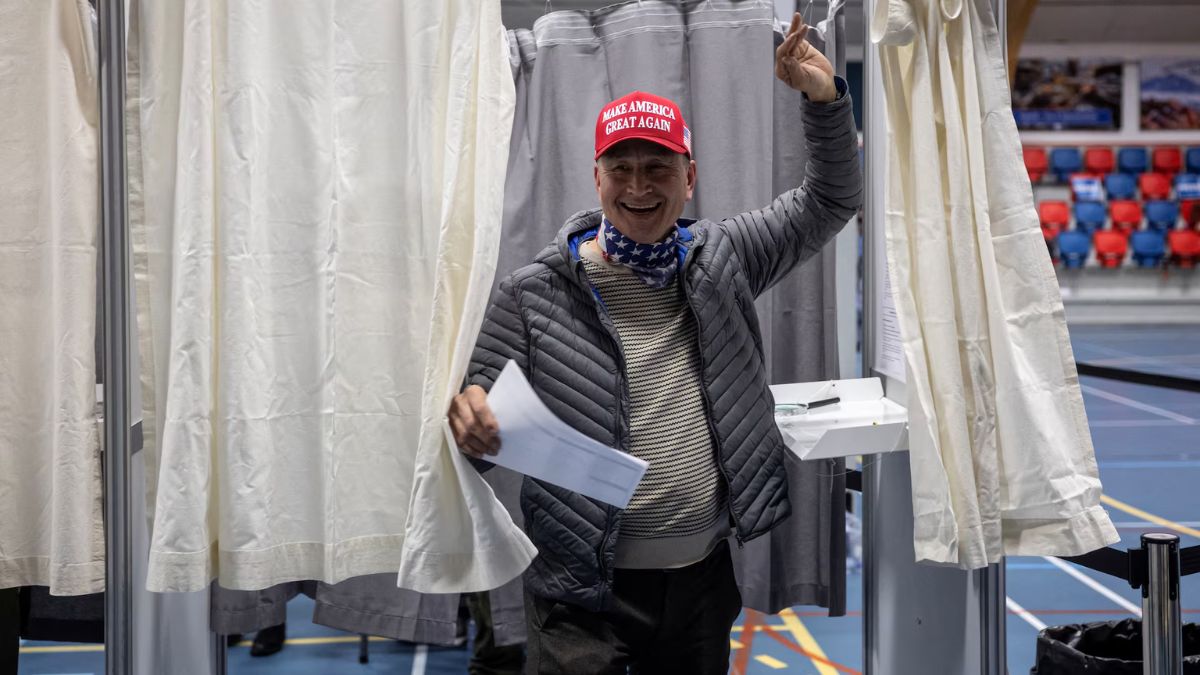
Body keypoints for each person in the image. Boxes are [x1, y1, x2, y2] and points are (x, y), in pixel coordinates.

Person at [447, 14, 861, 675]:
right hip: (580, 595)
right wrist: (467, 418)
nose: (639, 187)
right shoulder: (532, 292)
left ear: (689, 176)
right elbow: (472, 430)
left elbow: (831, 201)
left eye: (658, 168)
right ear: (597, 177)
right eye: (623, 168)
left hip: (699, 582)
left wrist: (824, 100)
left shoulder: (723, 257)